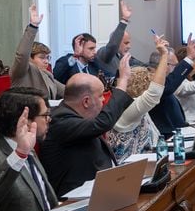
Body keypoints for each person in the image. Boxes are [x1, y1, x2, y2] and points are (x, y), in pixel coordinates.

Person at [39, 54, 135, 196]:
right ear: (86, 101)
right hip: (75, 199)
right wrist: (123, 81)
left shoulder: (77, 115)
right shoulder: (60, 120)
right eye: (101, 95)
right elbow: (102, 124)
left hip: (101, 190)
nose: (104, 100)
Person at [108, 38, 170, 161]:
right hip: (130, 171)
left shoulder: (137, 109)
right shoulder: (126, 110)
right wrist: (164, 55)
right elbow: (154, 93)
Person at [10, 5, 64, 99]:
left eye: (47, 58)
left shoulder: (47, 74)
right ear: (30, 58)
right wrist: (33, 26)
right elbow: (22, 54)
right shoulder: (22, 72)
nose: (46, 61)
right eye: (42, 57)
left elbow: (66, 91)